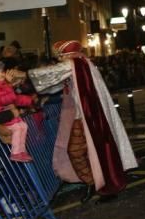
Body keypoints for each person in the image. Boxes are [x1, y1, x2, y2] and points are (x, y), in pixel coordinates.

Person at [49, 40, 137, 201]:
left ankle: (102, 185)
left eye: (60, 56)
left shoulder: (75, 64)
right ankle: (93, 182)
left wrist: (23, 75)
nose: (59, 59)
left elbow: (46, 76)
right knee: (80, 151)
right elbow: (55, 86)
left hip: (88, 117)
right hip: (83, 116)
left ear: (67, 55)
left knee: (87, 151)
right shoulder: (81, 65)